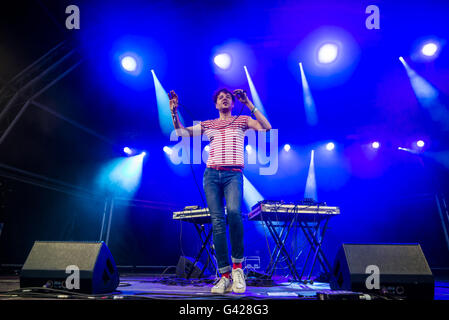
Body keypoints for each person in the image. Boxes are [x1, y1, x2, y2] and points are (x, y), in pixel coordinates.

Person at [168, 88, 272, 294]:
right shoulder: (209, 124)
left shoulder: (242, 119)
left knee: (234, 214)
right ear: (216, 104)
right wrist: (173, 112)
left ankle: (238, 270)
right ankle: (224, 276)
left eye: (228, 98)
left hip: (233, 174)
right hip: (212, 175)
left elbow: (267, 127)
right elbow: (181, 132)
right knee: (217, 222)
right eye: (220, 98)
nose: (224, 99)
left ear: (233, 104)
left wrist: (249, 103)